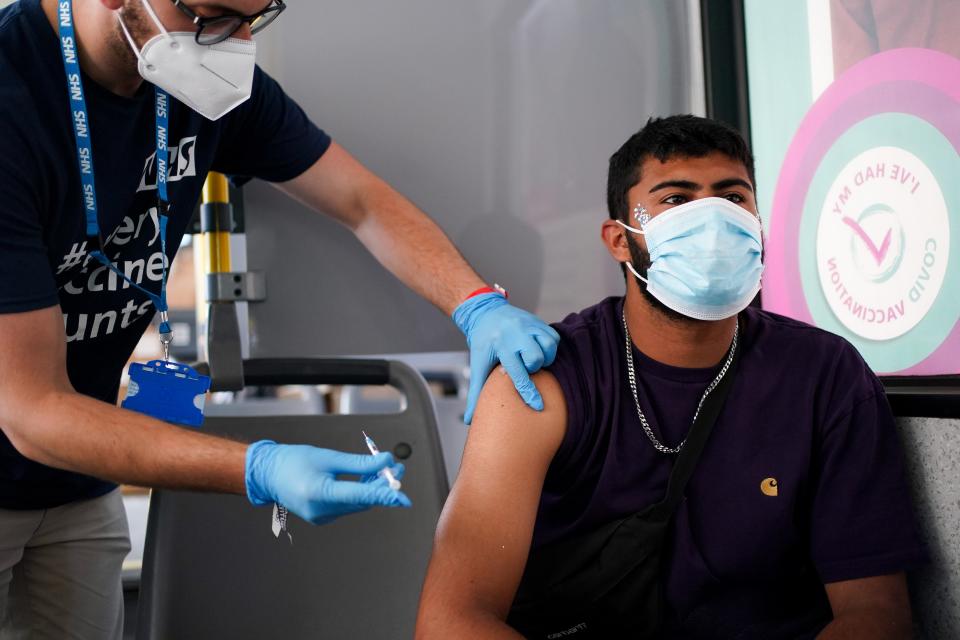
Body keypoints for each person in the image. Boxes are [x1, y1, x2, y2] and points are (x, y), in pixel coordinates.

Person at [0, 0, 559, 636]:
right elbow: (32, 409)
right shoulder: (14, 104)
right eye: (213, 14)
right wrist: (256, 467)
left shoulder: (191, 76)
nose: (237, 42)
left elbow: (361, 201)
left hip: (78, 483)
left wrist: (475, 302)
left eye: (255, 17)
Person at [416, 115, 926, 639]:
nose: (712, 221)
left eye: (732, 198)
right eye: (677, 200)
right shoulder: (544, 382)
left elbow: (875, 615)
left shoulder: (825, 376)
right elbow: (451, 622)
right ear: (619, 239)